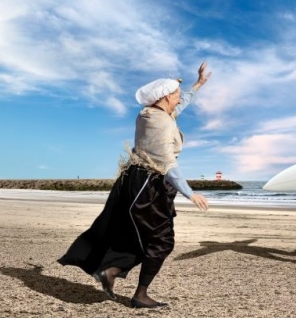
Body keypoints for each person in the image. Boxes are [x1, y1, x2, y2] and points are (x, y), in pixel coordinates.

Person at [58, 62, 212, 308]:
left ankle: (113, 272)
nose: (178, 100)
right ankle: (137, 293)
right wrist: (190, 193)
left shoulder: (156, 113)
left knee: (144, 237)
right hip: (148, 185)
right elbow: (168, 163)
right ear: (165, 97)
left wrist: (199, 84)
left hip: (142, 182)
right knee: (161, 241)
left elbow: (182, 104)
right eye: (176, 96)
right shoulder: (158, 122)